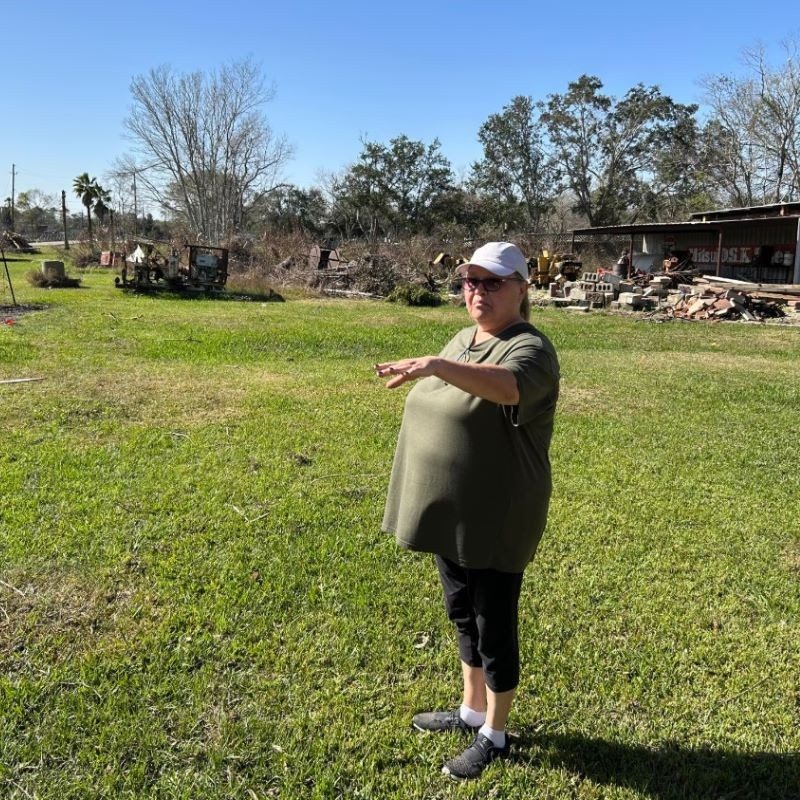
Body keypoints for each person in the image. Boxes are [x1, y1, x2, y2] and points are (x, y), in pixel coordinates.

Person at [376, 241, 560, 780]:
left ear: (523, 289)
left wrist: (436, 364)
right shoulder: (465, 337)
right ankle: (470, 709)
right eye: (470, 282)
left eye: (492, 282)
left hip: (498, 512)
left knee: (492, 622)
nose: (477, 291)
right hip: (454, 512)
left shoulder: (530, 348)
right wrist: (439, 363)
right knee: (462, 613)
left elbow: (508, 389)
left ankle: (495, 734)